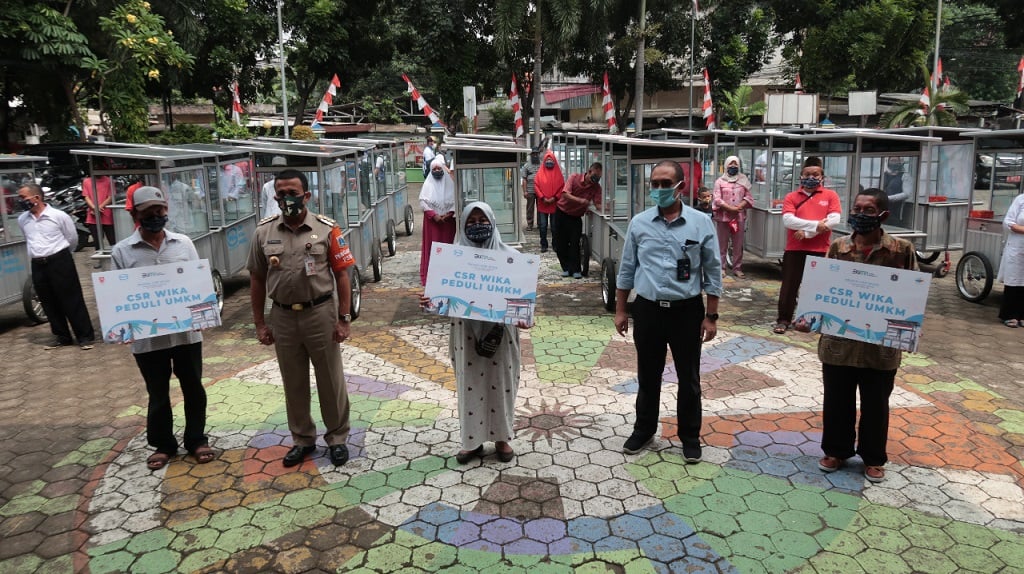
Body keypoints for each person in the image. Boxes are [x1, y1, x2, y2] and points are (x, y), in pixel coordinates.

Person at [247, 168, 356, 468]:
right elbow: (256, 279)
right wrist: (259, 323)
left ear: (306, 195)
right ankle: (302, 439)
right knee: (293, 382)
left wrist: (344, 318)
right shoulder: (264, 232)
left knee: (330, 380)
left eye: (293, 193)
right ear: (275, 196)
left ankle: (337, 438)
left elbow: (342, 275)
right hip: (282, 316)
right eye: (281, 194)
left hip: (320, 313)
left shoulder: (327, 229)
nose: (287, 198)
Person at [614, 160, 722, 463]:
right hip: (648, 310)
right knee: (648, 375)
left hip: (687, 312)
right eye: (655, 184)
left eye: (665, 184)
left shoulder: (701, 223)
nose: (659, 189)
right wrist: (622, 310)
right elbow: (627, 270)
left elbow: (713, 271)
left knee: (689, 378)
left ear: (680, 187)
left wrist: (711, 316)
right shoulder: (639, 223)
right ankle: (644, 430)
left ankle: (689, 436)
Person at [110, 186, 214, 470]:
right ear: (135, 214)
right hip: (147, 340)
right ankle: (163, 444)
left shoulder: (183, 244)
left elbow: (197, 285)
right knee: (157, 393)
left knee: (193, 388)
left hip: (186, 334)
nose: (156, 216)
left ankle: (196, 439)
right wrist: (119, 326)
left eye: (160, 210)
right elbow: (118, 297)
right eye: (148, 212)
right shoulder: (122, 251)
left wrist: (203, 314)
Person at [817, 188, 916, 483]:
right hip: (840, 343)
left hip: (881, 347)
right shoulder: (838, 248)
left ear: (883, 215)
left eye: (868, 210)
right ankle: (836, 450)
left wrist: (908, 332)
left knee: (876, 404)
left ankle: (873, 457)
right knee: (837, 400)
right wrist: (810, 316)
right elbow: (823, 291)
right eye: (857, 208)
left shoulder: (901, 251)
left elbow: (911, 297)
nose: (860, 215)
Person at [419, 201, 530, 464]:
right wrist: (430, 301)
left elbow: (521, 298)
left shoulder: (511, 258)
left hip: (501, 334)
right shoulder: (450, 260)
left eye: (483, 221)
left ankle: (502, 439)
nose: (477, 226)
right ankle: (472, 441)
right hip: (464, 334)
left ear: (492, 223)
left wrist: (524, 315)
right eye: (471, 221)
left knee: (502, 382)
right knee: (470, 384)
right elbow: (442, 299)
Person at [16, 183, 96, 350]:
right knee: (48, 301)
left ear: (36, 198)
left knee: (72, 299)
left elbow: (72, 238)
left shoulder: (58, 216)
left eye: (23, 197)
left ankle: (85, 336)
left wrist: (63, 256)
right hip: (38, 263)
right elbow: (28, 239)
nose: (20, 201)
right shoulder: (23, 219)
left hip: (60, 261)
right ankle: (62, 336)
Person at [774, 157, 842, 334]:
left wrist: (808, 232)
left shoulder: (830, 196)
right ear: (801, 176)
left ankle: (812, 320)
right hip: (795, 249)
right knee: (789, 286)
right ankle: (783, 320)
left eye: (815, 174)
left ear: (822, 177)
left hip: (820, 250)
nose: (811, 177)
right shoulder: (791, 197)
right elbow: (789, 220)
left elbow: (834, 219)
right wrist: (816, 226)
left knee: (817, 288)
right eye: (807, 174)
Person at [553, 162, 602, 278]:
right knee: (560, 243)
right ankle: (565, 267)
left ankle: (576, 270)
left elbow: (598, 203)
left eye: (598, 178)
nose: (595, 180)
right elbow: (565, 194)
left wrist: (609, 208)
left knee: (575, 243)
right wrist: (580, 201)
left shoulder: (596, 187)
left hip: (576, 217)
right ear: (589, 172)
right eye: (594, 177)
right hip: (561, 212)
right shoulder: (574, 178)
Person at [712, 156, 754, 278]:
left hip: (739, 217)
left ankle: (737, 268)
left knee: (738, 244)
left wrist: (739, 207)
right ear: (726, 165)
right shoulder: (719, 181)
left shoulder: (743, 180)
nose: (733, 167)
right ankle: (721, 267)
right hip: (723, 217)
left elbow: (748, 197)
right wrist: (729, 208)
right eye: (731, 164)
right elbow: (717, 198)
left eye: (736, 165)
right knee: (722, 244)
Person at [419, 156, 457, 285]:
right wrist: (434, 215)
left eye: (439, 168)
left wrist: (449, 213)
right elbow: (423, 202)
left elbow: (456, 201)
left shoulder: (451, 184)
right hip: (432, 224)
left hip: (448, 223)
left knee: (448, 248)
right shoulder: (427, 185)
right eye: (434, 168)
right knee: (432, 248)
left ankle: (449, 274)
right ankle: (432, 276)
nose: (436, 170)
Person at [997, 192, 1024, 327]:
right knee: (1014, 281)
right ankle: (1010, 315)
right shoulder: (1020, 200)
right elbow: (1008, 222)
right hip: (1017, 247)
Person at [534, 150, 564, 253]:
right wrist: (543, 198)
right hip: (543, 204)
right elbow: (536, 186)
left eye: (551, 159)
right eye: (547, 160)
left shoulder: (559, 174)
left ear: (554, 161)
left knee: (555, 227)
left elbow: (561, 188)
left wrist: (554, 198)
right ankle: (543, 245)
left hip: (555, 204)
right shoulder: (539, 173)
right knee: (543, 226)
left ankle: (555, 245)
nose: (549, 161)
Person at [83, 173, 115, 247]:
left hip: (106, 215)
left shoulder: (109, 181)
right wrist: (94, 208)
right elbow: (86, 196)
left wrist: (97, 208)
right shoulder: (86, 181)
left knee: (112, 241)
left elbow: (110, 197)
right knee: (97, 242)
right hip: (93, 215)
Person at [881, 158, 908, 225]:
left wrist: (888, 198)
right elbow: (875, 189)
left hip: (896, 212)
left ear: (900, 162)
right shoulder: (882, 175)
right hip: (881, 211)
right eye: (892, 160)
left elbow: (907, 194)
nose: (894, 163)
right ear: (888, 162)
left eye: (896, 160)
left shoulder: (905, 176)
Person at [521, 150, 541, 230]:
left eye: (536, 154)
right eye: (534, 154)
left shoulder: (542, 164)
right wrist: (525, 191)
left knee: (541, 208)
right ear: (531, 155)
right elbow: (524, 179)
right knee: (530, 208)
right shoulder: (526, 165)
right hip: (530, 190)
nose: (535, 155)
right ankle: (530, 224)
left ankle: (540, 224)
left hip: (541, 190)